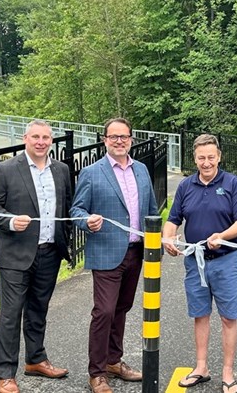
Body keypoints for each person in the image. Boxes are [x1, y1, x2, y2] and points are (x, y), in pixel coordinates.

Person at [0, 120, 73, 393]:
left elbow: (66, 206)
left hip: (49, 252)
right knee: (10, 315)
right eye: (36, 137)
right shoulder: (6, 169)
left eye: (46, 137)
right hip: (15, 256)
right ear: (25, 139)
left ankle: (36, 359)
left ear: (51, 141)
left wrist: (63, 241)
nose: (41, 142)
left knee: (38, 310)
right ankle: (6, 374)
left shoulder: (62, 170)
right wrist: (9, 221)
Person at [70, 117, 158, 393]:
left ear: (131, 139)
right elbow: (76, 211)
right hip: (107, 251)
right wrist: (87, 222)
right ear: (104, 140)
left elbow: (152, 210)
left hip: (136, 252)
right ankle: (96, 373)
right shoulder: (91, 172)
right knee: (104, 311)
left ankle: (113, 361)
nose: (119, 141)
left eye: (124, 136)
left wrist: (160, 240)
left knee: (122, 308)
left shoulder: (142, 170)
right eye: (114, 136)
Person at [163, 134, 237, 393]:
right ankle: (201, 367)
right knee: (200, 315)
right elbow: (173, 218)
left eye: (211, 157)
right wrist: (168, 239)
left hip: (226, 261)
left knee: (228, 317)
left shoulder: (233, 184)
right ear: (195, 158)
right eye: (201, 157)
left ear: (219, 157)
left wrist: (222, 236)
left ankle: (227, 372)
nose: (206, 162)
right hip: (194, 261)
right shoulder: (186, 186)